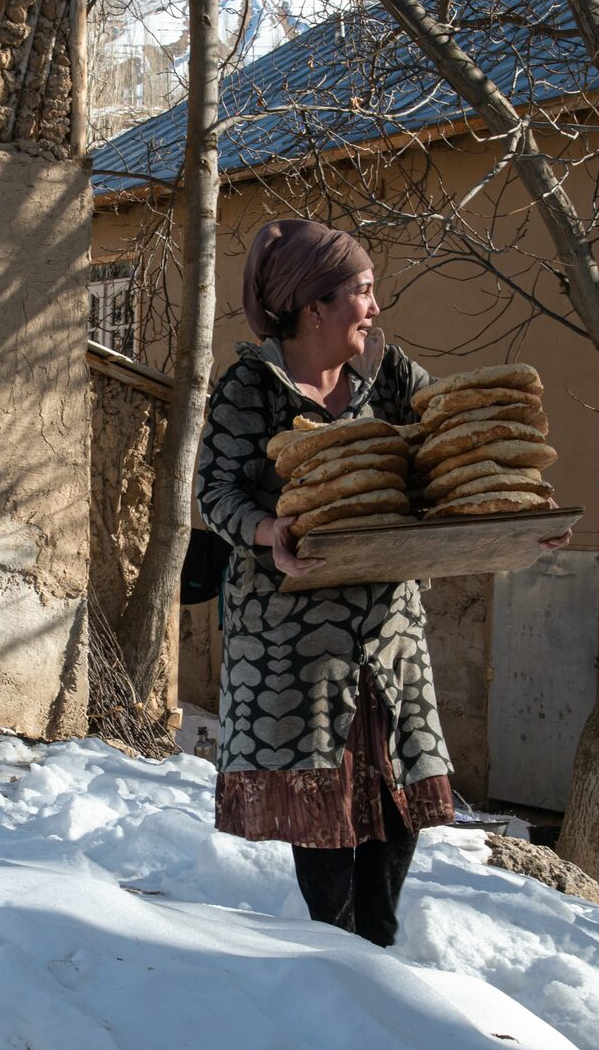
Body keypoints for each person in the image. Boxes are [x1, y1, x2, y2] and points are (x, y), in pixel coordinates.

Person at [194, 218, 453, 948]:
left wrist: (517, 515)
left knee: (395, 800)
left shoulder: (391, 376)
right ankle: (337, 960)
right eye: (362, 292)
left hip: (387, 636)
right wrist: (267, 531)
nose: (374, 307)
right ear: (316, 308)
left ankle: (377, 948)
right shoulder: (253, 385)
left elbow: (451, 452)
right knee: (325, 804)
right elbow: (215, 491)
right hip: (292, 643)